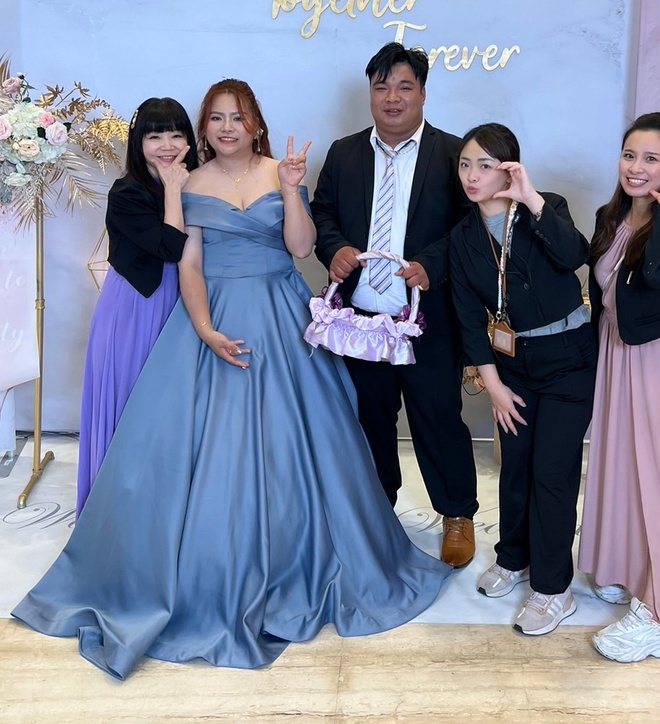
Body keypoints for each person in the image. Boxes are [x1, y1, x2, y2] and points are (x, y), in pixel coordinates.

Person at [13, 79, 451, 680]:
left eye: (237, 118)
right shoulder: (189, 183)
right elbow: (187, 263)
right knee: (198, 447)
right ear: (205, 128)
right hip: (214, 315)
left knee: (304, 440)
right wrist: (204, 327)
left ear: (255, 124)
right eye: (216, 118)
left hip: (281, 312)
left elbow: (301, 247)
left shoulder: (279, 171)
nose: (226, 128)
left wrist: (292, 190)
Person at [311, 43, 479, 568]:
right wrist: (334, 248)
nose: (392, 97)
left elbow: (470, 227)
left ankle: (457, 514)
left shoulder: (454, 155)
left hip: (426, 319)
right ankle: (376, 509)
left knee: (437, 415)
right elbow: (322, 213)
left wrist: (433, 263)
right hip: (362, 319)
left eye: (404, 86)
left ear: (423, 93)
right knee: (370, 418)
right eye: (381, 86)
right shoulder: (344, 153)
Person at [449, 123, 597, 635]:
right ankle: (514, 557)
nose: (472, 175)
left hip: (569, 358)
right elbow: (469, 318)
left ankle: (554, 589)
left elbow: (574, 256)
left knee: (552, 472)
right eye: (465, 164)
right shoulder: (462, 237)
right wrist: (493, 386)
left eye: (485, 165)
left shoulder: (546, 207)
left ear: (509, 168)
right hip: (512, 365)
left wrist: (529, 198)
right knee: (516, 466)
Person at [578, 111, 660, 663]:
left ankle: (658, 615)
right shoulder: (610, 218)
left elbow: (656, 276)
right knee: (619, 465)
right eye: (630, 155)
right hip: (616, 353)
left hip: (658, 359)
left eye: (652, 159)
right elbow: (601, 293)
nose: (636, 167)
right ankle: (627, 568)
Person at [76, 96, 198, 517]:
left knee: (171, 410)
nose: (167, 145)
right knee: (132, 403)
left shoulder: (198, 181)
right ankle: (113, 516)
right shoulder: (127, 192)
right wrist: (173, 190)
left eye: (176, 135)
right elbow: (169, 247)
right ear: (138, 142)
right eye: (155, 136)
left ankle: (162, 516)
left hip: (183, 304)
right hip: (136, 306)